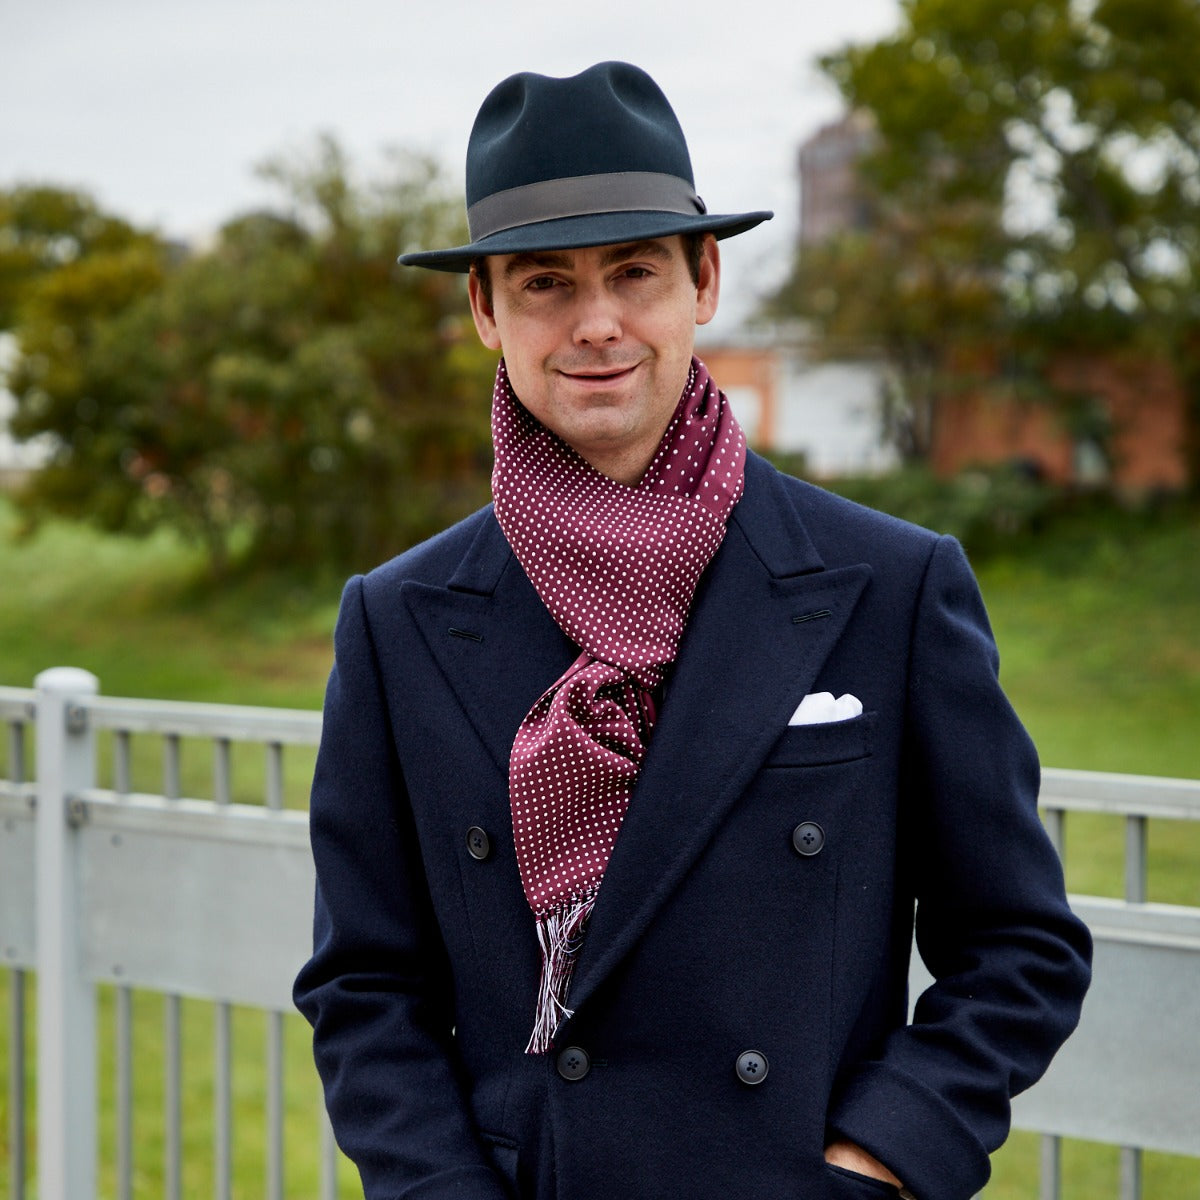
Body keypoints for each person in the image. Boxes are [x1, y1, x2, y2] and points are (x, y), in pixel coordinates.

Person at [294, 61, 1091, 1200]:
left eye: (634, 271)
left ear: (704, 280)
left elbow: (1021, 947)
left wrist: (878, 1164)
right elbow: (366, 985)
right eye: (544, 285)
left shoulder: (893, 585)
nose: (598, 324)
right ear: (485, 312)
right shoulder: (399, 621)